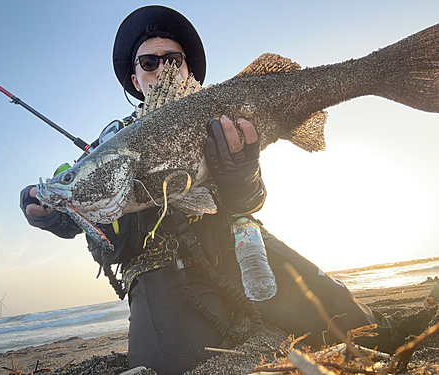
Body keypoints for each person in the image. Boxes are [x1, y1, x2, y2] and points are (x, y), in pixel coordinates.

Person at [20, 6, 390, 374]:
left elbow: (253, 200)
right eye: (149, 62)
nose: (162, 69)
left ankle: (377, 72)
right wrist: (51, 213)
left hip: (240, 247)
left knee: (358, 326)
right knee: (171, 365)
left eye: (173, 59)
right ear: (135, 79)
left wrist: (241, 177)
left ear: (188, 70)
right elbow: (75, 201)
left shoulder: (219, 118)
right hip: (160, 269)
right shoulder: (109, 148)